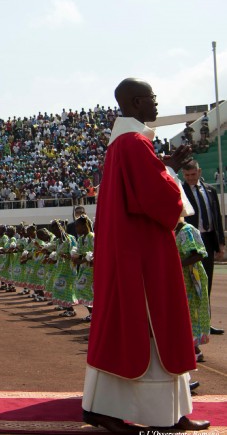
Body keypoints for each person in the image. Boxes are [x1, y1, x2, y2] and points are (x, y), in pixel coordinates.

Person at [82, 78, 209, 432]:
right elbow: (159, 199)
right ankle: (160, 417)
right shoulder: (134, 143)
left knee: (135, 330)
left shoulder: (128, 144)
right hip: (145, 256)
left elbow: (143, 185)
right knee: (153, 329)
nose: (156, 103)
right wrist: (168, 170)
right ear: (136, 103)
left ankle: (165, 412)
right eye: (152, 98)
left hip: (137, 251)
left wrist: (164, 162)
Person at [181, 160, 225, 336]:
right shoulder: (180, 191)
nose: (190, 178)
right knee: (190, 284)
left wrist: (220, 243)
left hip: (207, 239)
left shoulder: (210, 190)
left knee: (206, 282)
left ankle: (206, 323)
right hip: (189, 242)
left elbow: (216, 218)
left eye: (193, 174)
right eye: (186, 175)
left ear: (199, 172)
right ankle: (188, 323)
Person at [174, 218, 210, 386]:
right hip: (182, 278)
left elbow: (198, 254)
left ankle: (194, 350)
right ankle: (194, 350)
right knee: (184, 314)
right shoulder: (176, 231)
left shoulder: (187, 230)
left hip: (192, 278)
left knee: (191, 312)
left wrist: (176, 265)